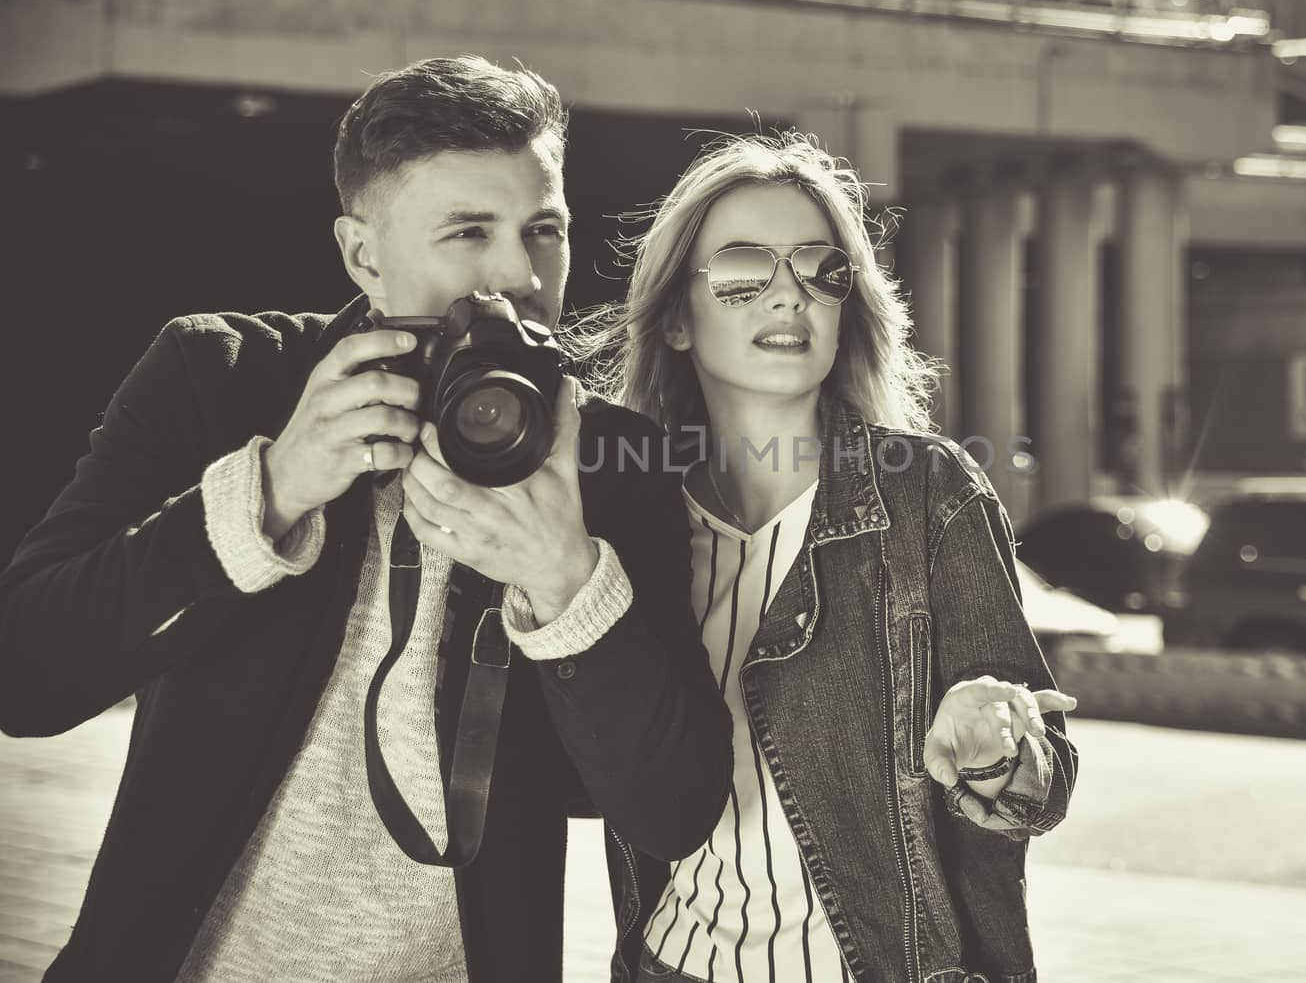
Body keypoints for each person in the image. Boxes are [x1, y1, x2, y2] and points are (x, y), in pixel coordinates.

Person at [0, 56, 732, 982]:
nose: (518, 272)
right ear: (361, 254)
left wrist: (565, 580)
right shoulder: (221, 380)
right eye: (469, 231)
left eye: (543, 229)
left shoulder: (609, 463)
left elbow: (671, 811)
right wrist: (268, 493)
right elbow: (25, 678)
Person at [588, 132, 1079, 982]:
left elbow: (1044, 783)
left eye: (822, 271)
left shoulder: (927, 492)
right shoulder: (632, 516)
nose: (790, 296)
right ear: (673, 316)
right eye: (744, 269)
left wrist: (997, 749)